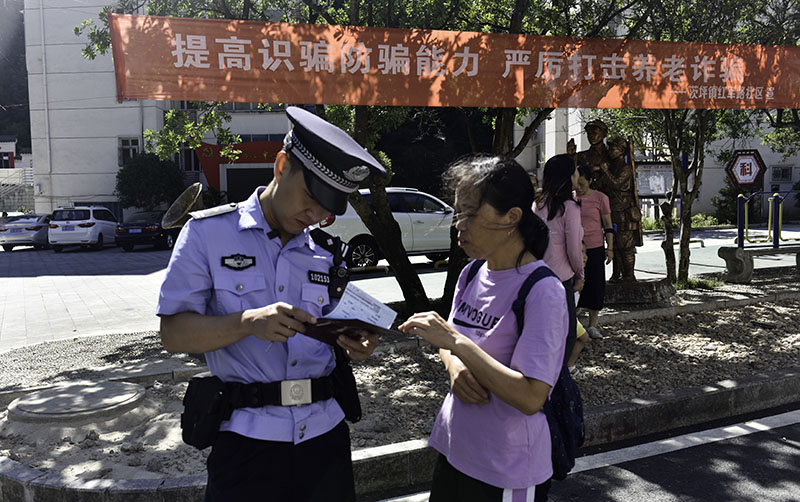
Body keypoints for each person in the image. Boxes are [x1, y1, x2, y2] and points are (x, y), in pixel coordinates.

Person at [157, 106, 384, 502]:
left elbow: (332, 326)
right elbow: (173, 334)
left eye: (328, 210)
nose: (315, 215)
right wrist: (247, 322)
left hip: (325, 436)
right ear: (281, 166)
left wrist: (354, 340)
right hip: (249, 444)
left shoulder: (327, 252)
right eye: (311, 198)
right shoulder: (207, 234)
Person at [399, 155, 568, 501]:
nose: (459, 224)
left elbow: (532, 397)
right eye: (457, 211)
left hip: (506, 468)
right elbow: (452, 342)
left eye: (471, 213)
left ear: (512, 218)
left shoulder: (542, 290)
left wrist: (457, 345)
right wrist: (454, 366)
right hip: (455, 449)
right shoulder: (473, 272)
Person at [534, 154, 584, 355]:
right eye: (575, 170)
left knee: (543, 334)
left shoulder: (537, 204)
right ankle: (556, 380)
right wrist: (580, 275)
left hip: (537, 275)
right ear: (569, 176)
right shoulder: (569, 207)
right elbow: (574, 247)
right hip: (561, 279)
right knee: (568, 335)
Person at [596, 136, 642, 283]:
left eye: (613, 148)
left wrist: (606, 171)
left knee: (626, 246)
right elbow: (601, 185)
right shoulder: (610, 167)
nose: (610, 151)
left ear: (621, 151)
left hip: (623, 211)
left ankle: (629, 275)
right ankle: (616, 274)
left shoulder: (626, 168)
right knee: (614, 245)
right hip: (610, 211)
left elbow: (616, 184)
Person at [575, 165, 613, 340]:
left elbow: (608, 224)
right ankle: (573, 322)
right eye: (577, 183)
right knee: (575, 283)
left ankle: (593, 324)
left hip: (595, 245)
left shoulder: (600, 198)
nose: (579, 187)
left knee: (596, 283)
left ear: (590, 181)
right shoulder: (571, 198)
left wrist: (610, 247)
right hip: (574, 247)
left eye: (582, 183)